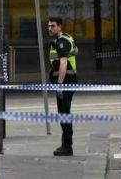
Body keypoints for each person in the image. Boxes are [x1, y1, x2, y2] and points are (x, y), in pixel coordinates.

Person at [47, 17, 78, 156]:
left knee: (64, 113)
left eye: (53, 26)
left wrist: (59, 84)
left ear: (59, 27)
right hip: (68, 80)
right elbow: (77, 51)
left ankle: (67, 147)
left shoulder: (62, 42)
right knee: (64, 112)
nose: (50, 28)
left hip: (65, 82)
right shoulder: (67, 38)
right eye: (49, 26)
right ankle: (66, 145)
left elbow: (64, 63)